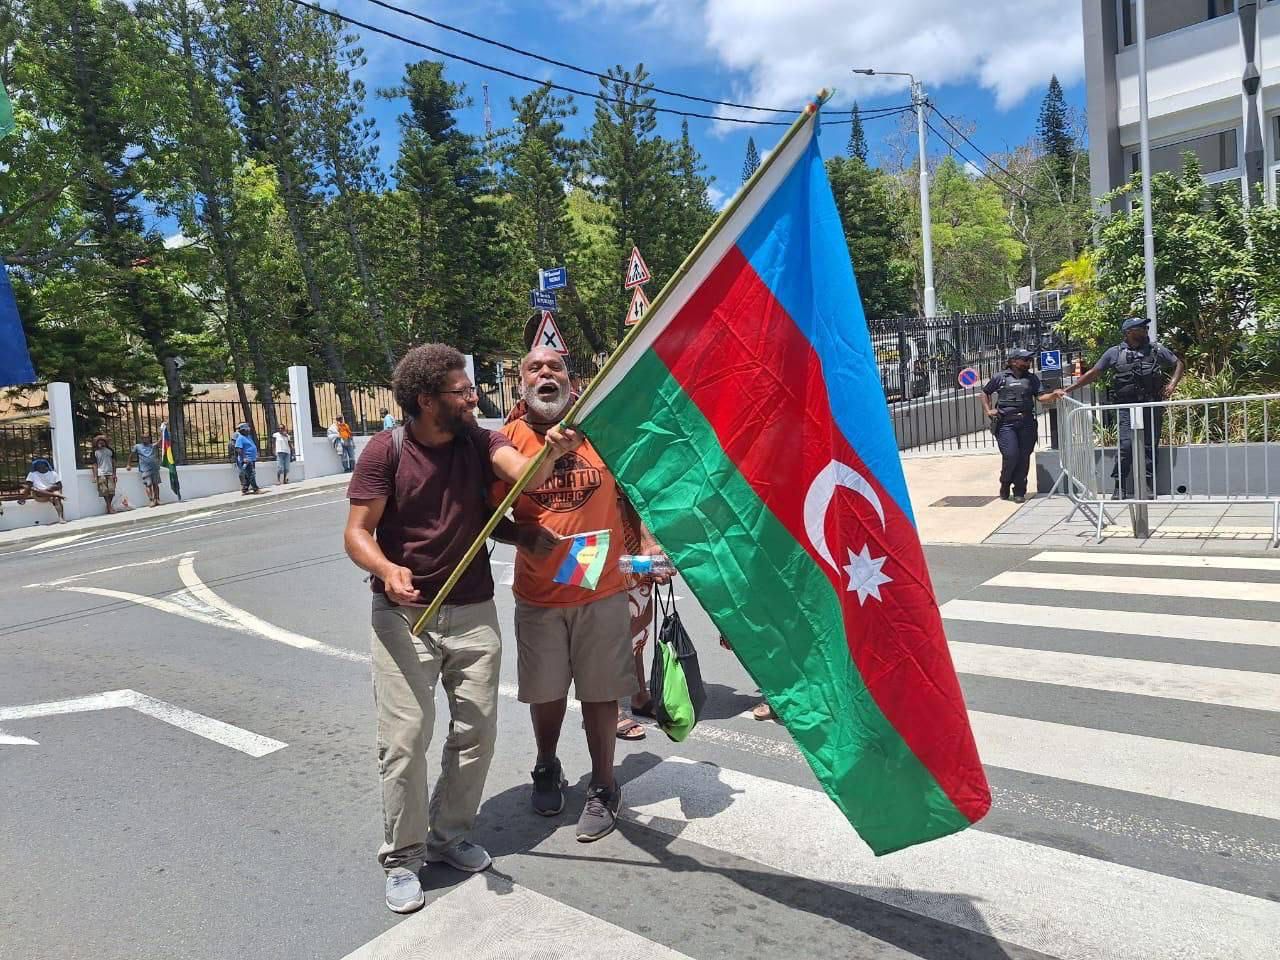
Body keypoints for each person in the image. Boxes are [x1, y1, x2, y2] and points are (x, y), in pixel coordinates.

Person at [343, 343, 580, 915]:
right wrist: (385, 568)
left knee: (476, 733)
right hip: (405, 617)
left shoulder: (480, 440)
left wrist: (548, 455)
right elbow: (356, 532)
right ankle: (402, 856)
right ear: (427, 400)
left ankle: (448, 837)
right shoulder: (385, 451)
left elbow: (520, 476)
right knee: (405, 741)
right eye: (462, 391)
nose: (475, 398)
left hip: (473, 612)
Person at [499, 347, 667, 841]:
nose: (546, 374)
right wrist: (521, 537)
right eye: (535, 368)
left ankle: (604, 785)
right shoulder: (505, 442)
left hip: (602, 591)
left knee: (601, 691)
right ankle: (547, 765)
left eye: (555, 368)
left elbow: (634, 492)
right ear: (521, 383)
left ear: (571, 383)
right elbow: (487, 516)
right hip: (539, 595)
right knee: (546, 692)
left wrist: (652, 547)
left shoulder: (601, 433)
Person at [1058, 317, 1184, 500]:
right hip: (1126, 407)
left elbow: (1178, 363)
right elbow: (1094, 373)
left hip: (1151, 404)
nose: (1145, 329)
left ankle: (1148, 486)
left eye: (1145, 327)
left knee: (1150, 446)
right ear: (1129, 332)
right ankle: (1120, 486)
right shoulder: (1114, 352)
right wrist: (1068, 389)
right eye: (1141, 328)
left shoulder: (1156, 349)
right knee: (1125, 446)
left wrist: (1172, 384)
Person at [980, 349, 1060, 503]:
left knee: (1023, 457)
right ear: (1014, 361)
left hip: (1026, 422)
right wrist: (988, 410)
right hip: (1005, 423)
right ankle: (1005, 482)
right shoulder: (1000, 377)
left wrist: (1054, 395)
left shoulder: (1031, 378)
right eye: (1025, 360)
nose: (1028, 363)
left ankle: (1019, 491)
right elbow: (985, 392)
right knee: (1011, 455)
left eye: (1029, 360)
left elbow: (1041, 397)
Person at [19, 458, 66, 523]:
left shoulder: (53, 473)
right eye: (37, 465)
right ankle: (58, 496)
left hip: (50, 494)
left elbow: (60, 486)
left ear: (45, 465)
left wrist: (50, 488)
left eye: (41, 465)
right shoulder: (32, 474)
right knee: (35, 490)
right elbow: (29, 487)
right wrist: (23, 498)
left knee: (56, 498)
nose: (39, 467)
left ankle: (61, 518)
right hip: (39, 495)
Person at [127, 434, 162, 507]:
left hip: (155, 468)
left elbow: (160, 441)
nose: (145, 439)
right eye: (143, 438)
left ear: (149, 438)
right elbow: (131, 455)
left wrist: (163, 430)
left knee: (156, 484)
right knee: (148, 485)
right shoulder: (137, 446)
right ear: (141, 439)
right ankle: (151, 500)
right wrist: (128, 464)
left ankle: (157, 499)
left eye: (147, 438)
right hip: (145, 469)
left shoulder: (153, 446)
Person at [89, 436, 118, 514]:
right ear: (96, 443)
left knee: (112, 491)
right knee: (104, 492)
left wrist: (114, 474)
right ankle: (109, 507)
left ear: (105, 443)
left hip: (110, 473)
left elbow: (114, 463)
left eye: (102, 441)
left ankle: (108, 506)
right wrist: (95, 476)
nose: (101, 443)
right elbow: (94, 465)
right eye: (99, 442)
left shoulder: (110, 451)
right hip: (101, 474)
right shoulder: (94, 452)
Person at [233, 423, 261, 495]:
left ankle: (245, 489)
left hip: (252, 459)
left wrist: (256, 452)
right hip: (246, 460)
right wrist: (244, 458)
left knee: (248, 475)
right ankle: (256, 489)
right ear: (243, 430)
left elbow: (251, 446)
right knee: (251, 474)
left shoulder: (249, 437)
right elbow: (238, 449)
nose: (249, 430)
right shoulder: (240, 438)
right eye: (247, 429)